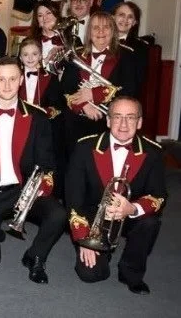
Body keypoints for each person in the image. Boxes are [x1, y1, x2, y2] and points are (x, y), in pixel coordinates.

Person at [0, 57, 66, 284]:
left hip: (24, 189)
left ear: (20, 80)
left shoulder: (38, 117)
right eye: (1, 79)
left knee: (58, 214)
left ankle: (35, 256)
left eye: (12, 79)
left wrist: (42, 188)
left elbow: (47, 162)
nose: (7, 85)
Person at [66, 96, 166, 295]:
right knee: (91, 275)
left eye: (130, 118)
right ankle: (104, 251)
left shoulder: (153, 152)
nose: (123, 124)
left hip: (128, 216)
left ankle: (131, 271)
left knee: (150, 222)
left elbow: (159, 195)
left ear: (139, 122)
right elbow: (73, 196)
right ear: (108, 120)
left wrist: (132, 208)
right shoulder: (85, 147)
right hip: (93, 218)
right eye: (117, 117)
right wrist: (84, 239)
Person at [61, 11, 138, 147]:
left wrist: (93, 94)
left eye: (106, 27)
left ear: (113, 30)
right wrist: (84, 105)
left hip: (109, 122)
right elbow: (66, 87)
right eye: (95, 27)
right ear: (89, 32)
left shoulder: (126, 56)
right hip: (76, 120)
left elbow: (129, 91)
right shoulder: (77, 55)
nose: (101, 31)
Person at [17, 38, 67, 197]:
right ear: (20, 57)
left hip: (42, 128)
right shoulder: (14, 76)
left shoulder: (50, 77)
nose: (30, 58)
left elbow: (58, 105)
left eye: (34, 54)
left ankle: (40, 193)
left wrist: (41, 113)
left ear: (40, 56)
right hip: (18, 126)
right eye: (25, 54)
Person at [28, 0, 79, 68]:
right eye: (40, 15)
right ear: (37, 21)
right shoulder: (30, 42)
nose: (45, 18)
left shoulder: (72, 39)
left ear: (57, 16)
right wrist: (47, 58)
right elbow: (27, 68)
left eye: (48, 13)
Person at [112, 1, 150, 91]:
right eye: (121, 15)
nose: (125, 19)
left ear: (134, 22)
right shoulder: (100, 40)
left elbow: (137, 80)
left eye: (130, 17)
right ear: (113, 17)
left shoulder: (141, 47)